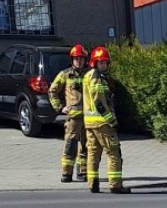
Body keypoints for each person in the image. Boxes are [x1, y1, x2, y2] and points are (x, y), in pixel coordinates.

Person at [83, 46, 129, 194]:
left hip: (90, 123)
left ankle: (93, 184)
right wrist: (111, 121)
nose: (103, 65)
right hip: (103, 123)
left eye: (105, 62)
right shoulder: (97, 77)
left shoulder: (88, 75)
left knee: (93, 154)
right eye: (100, 62)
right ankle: (115, 185)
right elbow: (98, 102)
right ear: (94, 63)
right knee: (113, 152)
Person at [48, 44, 89, 182]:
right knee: (70, 145)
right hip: (73, 119)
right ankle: (67, 173)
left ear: (85, 60)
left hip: (89, 117)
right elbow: (52, 91)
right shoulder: (65, 74)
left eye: (81, 59)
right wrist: (60, 108)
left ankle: (83, 172)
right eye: (76, 59)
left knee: (86, 146)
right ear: (72, 60)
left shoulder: (90, 75)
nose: (79, 61)